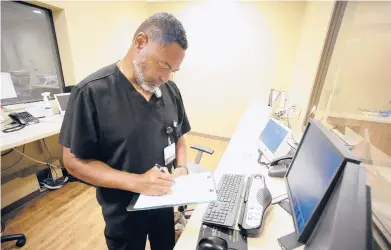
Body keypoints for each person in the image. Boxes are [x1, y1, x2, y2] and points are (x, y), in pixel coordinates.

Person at [59, 12, 190, 250]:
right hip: (124, 211)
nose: (166, 77)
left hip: (165, 200)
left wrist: (181, 167)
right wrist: (138, 182)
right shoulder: (91, 92)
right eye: (163, 65)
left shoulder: (170, 90)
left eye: (174, 71)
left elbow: (180, 135)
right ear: (140, 43)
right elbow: (73, 161)